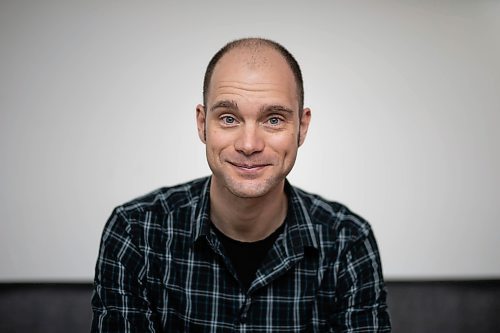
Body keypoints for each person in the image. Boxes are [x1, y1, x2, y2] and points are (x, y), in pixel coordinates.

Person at [91, 37, 391, 332]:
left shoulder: (347, 241)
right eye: (229, 118)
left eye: (273, 120)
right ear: (202, 123)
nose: (249, 145)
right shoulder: (136, 231)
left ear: (302, 127)